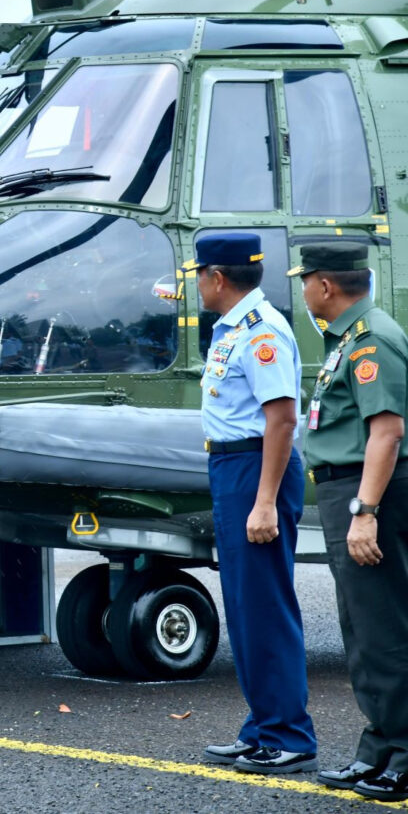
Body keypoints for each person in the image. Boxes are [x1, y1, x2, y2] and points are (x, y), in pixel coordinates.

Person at [190, 232, 317, 775]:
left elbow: (282, 420)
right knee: (245, 607)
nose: (193, 283)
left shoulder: (261, 332)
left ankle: (289, 736)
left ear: (218, 278)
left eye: (198, 273)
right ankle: (263, 727)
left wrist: (264, 501)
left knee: (264, 604)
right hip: (234, 466)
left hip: (255, 467)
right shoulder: (233, 327)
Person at [292, 242, 408, 802]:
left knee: (384, 630)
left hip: (369, 494)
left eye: (307, 279)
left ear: (327, 286)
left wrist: (365, 513)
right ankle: (379, 751)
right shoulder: (348, 337)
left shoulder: (371, 340)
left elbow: (387, 432)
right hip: (347, 489)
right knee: (361, 631)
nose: (305, 288)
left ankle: (403, 756)